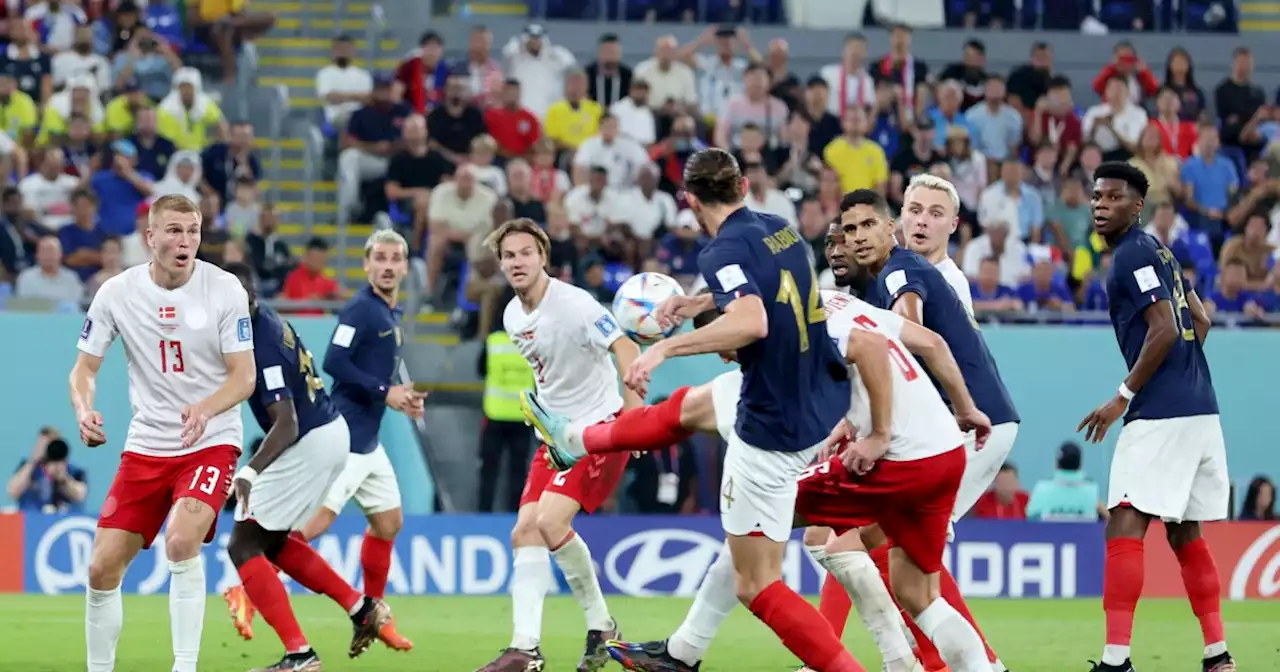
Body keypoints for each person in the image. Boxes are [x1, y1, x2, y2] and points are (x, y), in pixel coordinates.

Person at [528, 286, 993, 672]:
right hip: (944, 454)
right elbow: (928, 344)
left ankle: (688, 653)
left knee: (754, 544)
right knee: (920, 594)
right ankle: (985, 669)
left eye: (728, 346)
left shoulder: (787, 345)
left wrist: (880, 433)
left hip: (897, 459)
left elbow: (681, 412)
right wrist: (966, 408)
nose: (730, 358)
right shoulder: (834, 301)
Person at [539, 148, 864, 672]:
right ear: (742, 186)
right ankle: (682, 653)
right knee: (695, 418)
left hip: (773, 423)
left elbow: (753, 320)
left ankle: (844, 670)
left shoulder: (720, 251)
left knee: (756, 582)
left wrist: (664, 348)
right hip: (820, 398)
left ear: (689, 200)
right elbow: (767, 287)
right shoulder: (780, 228)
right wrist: (694, 305)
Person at [69, 194, 258, 672]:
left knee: (179, 540)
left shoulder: (225, 288)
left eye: (192, 231)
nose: (185, 241)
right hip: (147, 444)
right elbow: (83, 369)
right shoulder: (117, 292)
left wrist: (205, 407)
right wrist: (84, 409)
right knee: (100, 568)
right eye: (174, 230)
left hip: (211, 440)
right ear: (149, 237)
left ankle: (184, 666)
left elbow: (244, 377)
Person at [837, 187, 1018, 671]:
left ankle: (946, 664)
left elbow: (914, 334)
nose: (921, 222)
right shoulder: (886, 277)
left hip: (969, 424)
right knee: (880, 546)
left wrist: (880, 428)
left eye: (934, 214)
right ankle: (925, 661)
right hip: (964, 421)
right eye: (915, 210)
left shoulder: (907, 270)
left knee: (882, 549)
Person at [225, 229, 424, 651]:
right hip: (347, 433)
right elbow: (336, 360)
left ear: (405, 266)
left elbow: (290, 414)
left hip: (351, 439)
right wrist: (383, 391)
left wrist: (393, 395)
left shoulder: (389, 313)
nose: (388, 266)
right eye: (381, 258)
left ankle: (359, 613)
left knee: (386, 524)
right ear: (366, 264)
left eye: (395, 258)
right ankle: (358, 611)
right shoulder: (360, 311)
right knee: (299, 531)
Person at [1077, 162, 1233, 672]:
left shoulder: (1130, 255)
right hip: (1202, 410)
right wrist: (1183, 376)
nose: (1101, 204)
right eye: (1097, 196)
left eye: (1114, 197)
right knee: (1186, 533)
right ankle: (1218, 656)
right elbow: (1200, 320)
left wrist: (1123, 394)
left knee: (1124, 519)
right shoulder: (1162, 254)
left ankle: (1116, 661)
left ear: (1137, 206)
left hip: (1161, 414)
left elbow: (1164, 328)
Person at [475, 217, 642, 672]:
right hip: (555, 438)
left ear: (543, 256)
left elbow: (626, 349)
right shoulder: (512, 315)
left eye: (526, 252)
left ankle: (599, 627)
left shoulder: (576, 305)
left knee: (548, 521)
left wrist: (633, 419)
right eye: (508, 255)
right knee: (524, 530)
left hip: (600, 430)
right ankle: (526, 648)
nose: (517, 262)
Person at [7, 428, 88, 512]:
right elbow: (12, 492)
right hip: (30, 518)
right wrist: (32, 461)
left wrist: (63, 478)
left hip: (61, 520)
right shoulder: (27, 467)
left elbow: (80, 496)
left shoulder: (73, 471)